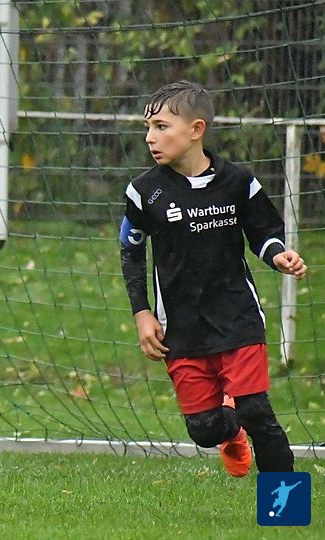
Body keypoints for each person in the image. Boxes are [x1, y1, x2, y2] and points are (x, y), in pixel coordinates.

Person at [118, 80, 306, 477]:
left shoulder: (239, 182)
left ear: (196, 130)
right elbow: (130, 251)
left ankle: (285, 508)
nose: (150, 137)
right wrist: (142, 313)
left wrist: (278, 255)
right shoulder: (143, 192)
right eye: (148, 128)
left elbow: (264, 233)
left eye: (161, 127)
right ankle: (230, 427)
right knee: (204, 429)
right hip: (182, 326)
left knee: (258, 411)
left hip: (237, 317)